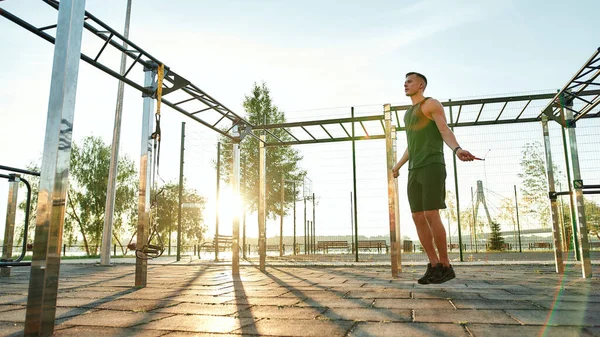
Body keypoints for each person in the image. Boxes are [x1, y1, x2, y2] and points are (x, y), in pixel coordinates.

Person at [392, 72, 478, 284]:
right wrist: (398, 165)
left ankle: (446, 265)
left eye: (410, 81)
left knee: (431, 213)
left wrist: (457, 149)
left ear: (421, 85)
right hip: (415, 169)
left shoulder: (431, 104)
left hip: (432, 164)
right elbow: (412, 146)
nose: (405, 84)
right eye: (405, 81)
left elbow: (443, 130)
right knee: (417, 217)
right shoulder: (407, 114)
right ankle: (433, 265)